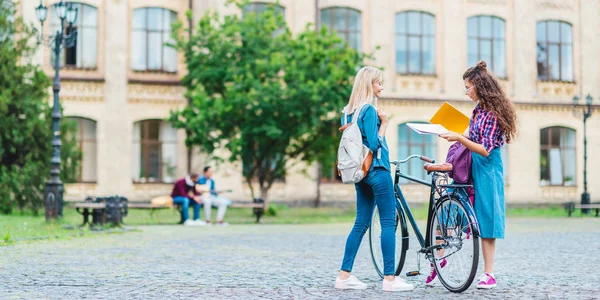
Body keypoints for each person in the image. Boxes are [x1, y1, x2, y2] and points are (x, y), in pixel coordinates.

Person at [335, 66, 414, 292]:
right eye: (378, 82)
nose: (381, 86)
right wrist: (385, 123)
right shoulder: (369, 110)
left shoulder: (348, 112)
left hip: (360, 174)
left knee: (361, 223)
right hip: (377, 171)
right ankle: (389, 278)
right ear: (368, 84)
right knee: (388, 222)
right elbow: (374, 144)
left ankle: (344, 276)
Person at [440, 60, 517, 289]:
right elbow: (472, 137)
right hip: (472, 166)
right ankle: (440, 257)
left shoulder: (493, 114)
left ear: (479, 86)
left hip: (488, 170)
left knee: (487, 218)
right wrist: (452, 132)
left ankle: (488, 273)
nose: (466, 91)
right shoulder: (478, 110)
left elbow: (484, 148)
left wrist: (459, 138)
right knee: (451, 202)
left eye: (468, 87)